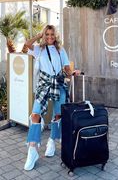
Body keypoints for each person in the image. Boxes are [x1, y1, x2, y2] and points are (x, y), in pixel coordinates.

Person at [24, 24, 80, 171]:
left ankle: (52, 141)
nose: (49, 37)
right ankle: (33, 149)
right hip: (43, 84)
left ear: (56, 36)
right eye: (47, 34)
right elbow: (26, 45)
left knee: (58, 115)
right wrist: (38, 35)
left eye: (52, 34)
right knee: (35, 114)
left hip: (58, 83)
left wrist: (73, 72)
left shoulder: (61, 50)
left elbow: (67, 69)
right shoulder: (39, 49)